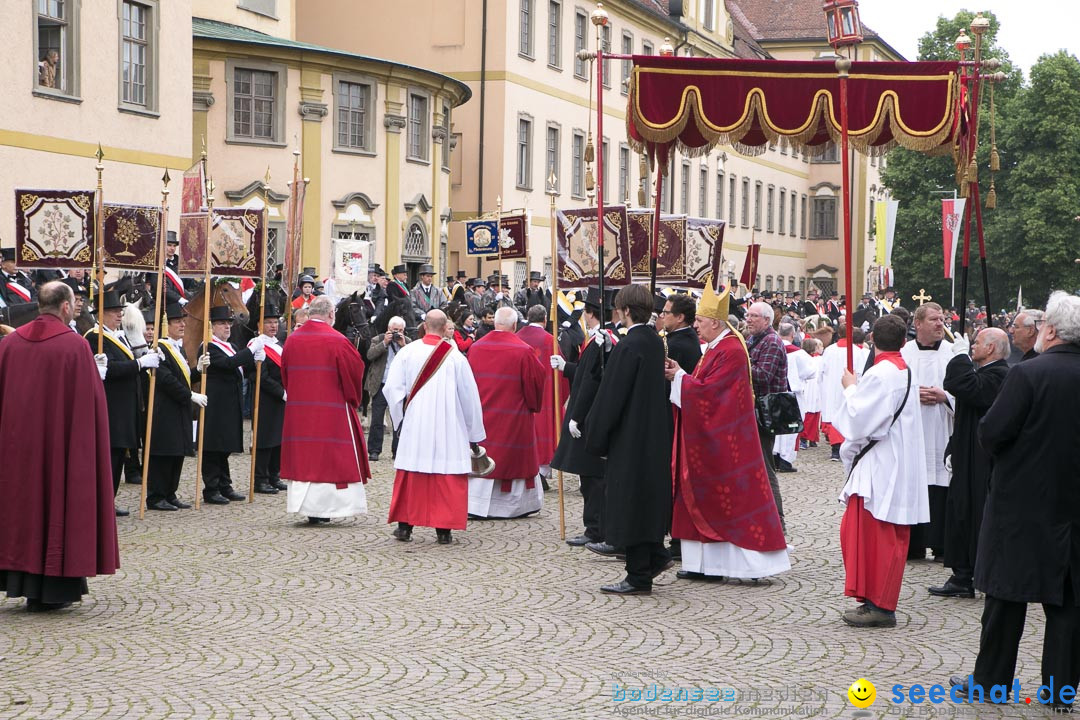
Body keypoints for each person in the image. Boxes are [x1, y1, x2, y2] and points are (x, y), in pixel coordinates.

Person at [950, 292, 1080, 712]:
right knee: (1067, 601)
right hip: (1072, 505)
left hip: (1022, 501)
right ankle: (1060, 690)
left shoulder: (1028, 374)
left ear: (1052, 331)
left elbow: (992, 432)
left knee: (1006, 597)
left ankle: (990, 681)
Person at [0, 281, 119, 611]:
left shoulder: (8, 345)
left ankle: (19, 579)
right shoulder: (75, 347)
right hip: (60, 451)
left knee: (24, 511)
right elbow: (90, 410)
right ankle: (53, 586)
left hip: (16, 452)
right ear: (66, 307)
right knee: (56, 508)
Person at [664, 280, 789, 582]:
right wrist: (680, 376)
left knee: (732, 503)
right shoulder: (716, 347)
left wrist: (680, 376)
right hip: (715, 439)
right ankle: (705, 565)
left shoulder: (731, 349)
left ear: (716, 322)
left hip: (726, 440)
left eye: (700, 321)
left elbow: (712, 394)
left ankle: (743, 566)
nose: (696, 326)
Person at [833, 315, 927, 627]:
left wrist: (849, 388)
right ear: (904, 340)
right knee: (876, 536)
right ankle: (873, 599)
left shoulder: (882, 373)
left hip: (881, 466)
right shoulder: (903, 369)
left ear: (872, 339)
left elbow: (860, 421)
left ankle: (880, 606)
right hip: (895, 461)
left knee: (875, 537)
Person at [585, 284, 674, 595]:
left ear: (624, 311)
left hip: (631, 435)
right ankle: (657, 555)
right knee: (646, 499)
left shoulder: (630, 344)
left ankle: (638, 575)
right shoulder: (653, 340)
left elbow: (612, 395)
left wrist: (595, 432)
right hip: (654, 433)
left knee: (632, 501)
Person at [383, 309, 486, 544]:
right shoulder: (456, 357)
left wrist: (400, 420)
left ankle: (405, 528)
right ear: (444, 328)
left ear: (424, 326)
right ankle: (444, 531)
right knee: (446, 475)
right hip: (449, 426)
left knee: (412, 472)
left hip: (416, 424)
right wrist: (473, 433)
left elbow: (391, 389)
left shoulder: (407, 352)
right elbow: (469, 397)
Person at [928, 328, 1009, 599]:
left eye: (976, 344)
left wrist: (960, 357)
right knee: (960, 511)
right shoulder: (985, 373)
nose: (972, 346)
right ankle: (962, 574)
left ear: (991, 348)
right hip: (966, 453)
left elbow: (963, 386)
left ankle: (979, 573)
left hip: (982, 459)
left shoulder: (1000, 375)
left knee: (976, 514)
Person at [280, 296, 370, 523]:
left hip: (300, 411)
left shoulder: (292, 340)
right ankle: (327, 510)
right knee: (330, 458)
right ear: (331, 315)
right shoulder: (338, 341)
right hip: (332, 410)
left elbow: (285, 375)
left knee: (305, 458)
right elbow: (355, 372)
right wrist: (353, 398)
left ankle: (308, 509)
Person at [84, 290, 161, 516]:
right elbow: (112, 370)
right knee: (110, 455)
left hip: (126, 405)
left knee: (119, 456)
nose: (119, 315)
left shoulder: (120, 336)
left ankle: (109, 499)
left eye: (119, 311)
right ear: (101, 314)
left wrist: (148, 361)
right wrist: (140, 364)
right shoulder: (95, 337)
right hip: (111, 405)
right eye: (113, 312)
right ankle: (101, 501)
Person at [551, 287, 616, 547]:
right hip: (588, 413)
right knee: (590, 477)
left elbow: (593, 379)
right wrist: (567, 367)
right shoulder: (599, 338)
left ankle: (595, 528)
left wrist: (576, 416)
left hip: (588, 415)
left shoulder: (603, 339)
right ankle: (595, 525)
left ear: (589, 314)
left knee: (592, 478)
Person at [467, 306, 547, 518]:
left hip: (483, 416)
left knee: (483, 457)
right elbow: (535, 386)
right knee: (511, 460)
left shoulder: (475, 348)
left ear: (495, 324)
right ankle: (514, 507)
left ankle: (476, 505)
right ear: (514, 326)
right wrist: (533, 406)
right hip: (513, 417)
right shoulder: (524, 351)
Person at [901, 302, 954, 561]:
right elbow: (894, 388)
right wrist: (914, 395)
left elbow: (966, 389)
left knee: (942, 485)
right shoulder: (904, 353)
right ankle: (914, 545)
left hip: (942, 427)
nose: (939, 324)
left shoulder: (954, 353)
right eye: (933, 319)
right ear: (918, 324)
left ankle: (942, 544)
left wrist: (945, 396)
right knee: (914, 483)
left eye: (942, 319)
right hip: (913, 430)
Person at [146, 304, 208, 510]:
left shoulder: (178, 348)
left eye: (183, 321)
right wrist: (190, 395)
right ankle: (156, 495)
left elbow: (183, 378)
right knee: (164, 452)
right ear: (167, 325)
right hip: (164, 408)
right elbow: (167, 380)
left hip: (178, 407)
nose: (182, 325)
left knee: (177, 452)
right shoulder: (159, 348)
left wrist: (197, 370)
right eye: (177, 322)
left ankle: (170, 492)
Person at [200, 306, 264, 505]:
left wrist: (256, 360)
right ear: (212, 327)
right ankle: (211, 488)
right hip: (216, 403)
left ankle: (224, 484)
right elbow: (228, 365)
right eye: (221, 323)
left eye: (229, 323)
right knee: (213, 447)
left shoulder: (232, 346)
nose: (227, 327)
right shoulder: (208, 347)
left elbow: (241, 366)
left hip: (230, 403)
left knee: (225, 446)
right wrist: (251, 350)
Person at [744, 301, 789, 532]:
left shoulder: (771, 341)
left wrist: (740, 362)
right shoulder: (753, 339)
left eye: (754, 316)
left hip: (765, 412)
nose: (748, 319)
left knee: (765, 466)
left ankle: (777, 522)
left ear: (767, 321)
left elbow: (762, 376)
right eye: (748, 315)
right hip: (754, 410)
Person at [517, 304, 569, 491]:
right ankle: (540, 472)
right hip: (545, 398)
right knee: (543, 431)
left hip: (521, 397)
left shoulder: (517, 338)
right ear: (545, 319)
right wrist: (558, 397)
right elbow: (562, 375)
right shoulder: (550, 341)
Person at [248, 304, 288, 495]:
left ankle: (274, 474)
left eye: (275, 322)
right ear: (259, 324)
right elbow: (259, 376)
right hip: (264, 399)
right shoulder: (257, 344)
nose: (273, 326)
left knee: (278, 439)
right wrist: (281, 392)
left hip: (280, 399)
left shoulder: (278, 344)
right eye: (268, 322)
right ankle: (260, 479)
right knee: (264, 440)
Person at [819, 325, 869, 461]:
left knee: (834, 412)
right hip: (849, 384)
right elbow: (862, 372)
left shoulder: (829, 350)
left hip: (832, 386)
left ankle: (835, 448)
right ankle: (843, 447)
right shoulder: (857, 351)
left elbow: (821, 369)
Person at [773, 322, 815, 474]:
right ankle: (785, 459)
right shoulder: (798, 353)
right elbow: (810, 372)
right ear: (792, 335)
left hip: (775, 392)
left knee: (776, 426)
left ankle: (774, 457)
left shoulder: (773, 348)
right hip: (792, 393)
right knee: (790, 427)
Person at [366, 315, 410, 462]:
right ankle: (374, 450)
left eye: (400, 330)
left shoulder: (408, 343)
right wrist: (385, 343)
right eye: (394, 330)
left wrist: (403, 345)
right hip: (381, 384)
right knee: (377, 419)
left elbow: (413, 360)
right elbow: (369, 355)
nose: (397, 333)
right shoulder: (378, 339)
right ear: (388, 329)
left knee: (398, 419)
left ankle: (398, 451)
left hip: (399, 386)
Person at [660, 293, 702, 374]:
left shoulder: (675, 345)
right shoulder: (689, 336)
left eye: (666, 312)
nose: (662, 315)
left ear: (680, 317)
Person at [797, 337, 823, 449]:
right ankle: (804, 438)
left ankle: (812, 438)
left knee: (814, 413)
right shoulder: (812, 359)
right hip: (810, 386)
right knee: (809, 413)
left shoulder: (818, 359)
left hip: (814, 386)